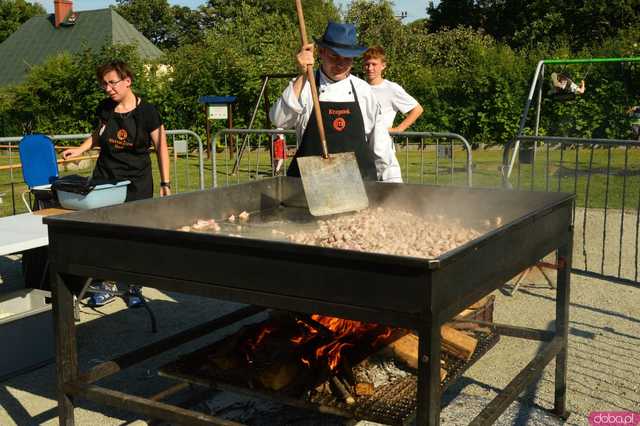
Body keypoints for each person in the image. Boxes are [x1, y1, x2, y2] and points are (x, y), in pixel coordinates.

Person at [62, 60, 171, 308]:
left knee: (133, 235)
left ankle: (134, 285)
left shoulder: (148, 112)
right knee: (105, 233)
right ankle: (107, 283)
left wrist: (166, 181)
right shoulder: (104, 108)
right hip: (106, 180)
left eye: (112, 83)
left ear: (127, 81)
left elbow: (161, 146)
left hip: (137, 182)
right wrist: (79, 149)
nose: (108, 88)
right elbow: (97, 136)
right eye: (104, 84)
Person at [269, 21, 402, 183]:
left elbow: (381, 147)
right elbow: (278, 119)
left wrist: (394, 190)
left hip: (359, 186)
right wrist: (302, 75)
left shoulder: (363, 91)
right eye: (334, 56)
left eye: (347, 58)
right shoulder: (304, 86)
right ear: (321, 53)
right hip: (310, 187)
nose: (340, 64)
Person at [363, 46, 424, 133]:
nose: (370, 68)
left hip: (382, 144)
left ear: (383, 66)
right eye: (367, 64)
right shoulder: (359, 87)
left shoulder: (391, 88)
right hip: (360, 144)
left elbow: (417, 109)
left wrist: (398, 129)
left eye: (374, 64)